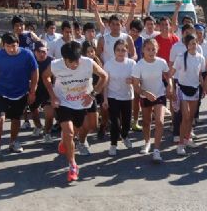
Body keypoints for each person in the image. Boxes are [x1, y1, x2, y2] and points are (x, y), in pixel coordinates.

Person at [44, 41, 108, 182]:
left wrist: (93, 94)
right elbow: (45, 76)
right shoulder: (56, 65)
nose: (75, 64)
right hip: (64, 102)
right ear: (64, 59)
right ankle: (73, 165)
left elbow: (104, 76)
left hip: (83, 101)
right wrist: (53, 96)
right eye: (71, 62)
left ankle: (65, 141)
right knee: (70, 133)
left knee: (91, 127)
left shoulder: (88, 63)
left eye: (77, 60)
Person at [0, 32, 39, 162]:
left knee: (16, 119)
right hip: (1, 92)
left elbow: (34, 72)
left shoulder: (27, 54)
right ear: (3, 45)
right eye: (8, 46)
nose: (12, 49)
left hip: (20, 93)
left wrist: (32, 91)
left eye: (14, 46)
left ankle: (13, 142)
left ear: (18, 44)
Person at [132, 38, 172, 162]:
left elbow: (167, 75)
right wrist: (145, 93)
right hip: (145, 96)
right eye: (148, 49)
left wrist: (169, 85)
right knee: (146, 122)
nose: (151, 51)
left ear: (157, 49)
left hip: (159, 95)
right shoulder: (139, 65)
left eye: (153, 49)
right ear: (143, 50)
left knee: (160, 122)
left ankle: (157, 150)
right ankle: (147, 142)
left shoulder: (161, 62)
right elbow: (136, 86)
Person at [102, 39, 136, 156]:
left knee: (126, 122)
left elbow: (137, 80)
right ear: (114, 51)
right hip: (113, 96)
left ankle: (125, 136)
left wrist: (132, 81)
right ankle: (113, 144)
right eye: (118, 50)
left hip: (127, 96)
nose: (120, 52)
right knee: (115, 123)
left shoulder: (132, 63)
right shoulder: (108, 64)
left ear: (127, 51)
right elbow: (105, 83)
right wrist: (105, 99)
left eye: (123, 50)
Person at [30, 42, 56, 142]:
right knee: (33, 111)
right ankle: (38, 126)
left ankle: (47, 133)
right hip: (34, 90)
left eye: (44, 52)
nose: (42, 54)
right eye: (39, 51)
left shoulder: (52, 61)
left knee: (49, 115)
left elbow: (57, 77)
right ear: (35, 52)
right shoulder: (30, 61)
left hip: (48, 90)